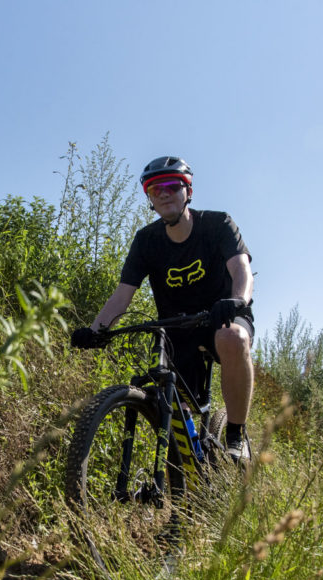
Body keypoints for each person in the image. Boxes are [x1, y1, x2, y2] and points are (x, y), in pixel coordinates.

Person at [70, 156, 255, 464]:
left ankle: (236, 433)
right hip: (176, 328)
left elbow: (241, 270)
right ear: (150, 200)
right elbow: (122, 295)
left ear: (189, 193)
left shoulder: (218, 223)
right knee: (172, 405)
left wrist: (238, 300)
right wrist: (95, 330)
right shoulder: (146, 241)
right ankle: (186, 482)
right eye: (156, 190)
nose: (164, 193)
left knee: (232, 338)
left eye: (172, 186)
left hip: (222, 316)